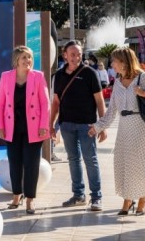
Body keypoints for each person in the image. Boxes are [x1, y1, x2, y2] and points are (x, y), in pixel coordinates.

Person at [88, 47, 145, 216]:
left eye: (114, 61)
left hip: (142, 127)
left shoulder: (143, 77)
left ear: (124, 62)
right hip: (124, 129)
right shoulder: (117, 81)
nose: (112, 64)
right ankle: (128, 199)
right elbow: (111, 111)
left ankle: (142, 200)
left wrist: (144, 93)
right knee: (125, 164)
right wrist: (98, 127)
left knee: (139, 165)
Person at [49, 40, 106, 212]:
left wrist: (102, 125)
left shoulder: (90, 73)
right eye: (72, 54)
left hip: (87, 125)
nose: (76, 57)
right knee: (73, 160)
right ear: (64, 55)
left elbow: (99, 100)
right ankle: (78, 195)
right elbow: (56, 102)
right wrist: (51, 124)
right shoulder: (58, 76)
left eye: (79, 54)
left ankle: (96, 197)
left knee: (91, 160)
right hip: (66, 125)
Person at [0, 46, 50, 214]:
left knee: (31, 164)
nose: (28, 61)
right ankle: (16, 196)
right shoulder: (6, 77)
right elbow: (0, 103)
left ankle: (30, 200)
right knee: (15, 163)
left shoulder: (38, 77)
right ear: (16, 61)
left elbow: (45, 103)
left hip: (34, 128)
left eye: (30, 57)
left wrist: (43, 125)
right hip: (12, 128)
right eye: (24, 58)